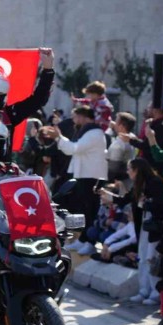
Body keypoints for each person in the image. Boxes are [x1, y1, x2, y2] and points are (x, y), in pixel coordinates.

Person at [100, 158, 163, 305]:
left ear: (137, 170)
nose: (127, 172)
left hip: (156, 227)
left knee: (152, 258)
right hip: (144, 225)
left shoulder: (156, 183)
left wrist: (146, 203)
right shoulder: (138, 185)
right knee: (143, 257)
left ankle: (156, 292)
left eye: (129, 169)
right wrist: (106, 194)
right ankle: (144, 290)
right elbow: (125, 199)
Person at [42, 105, 108, 255]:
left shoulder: (94, 133)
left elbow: (74, 149)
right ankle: (83, 239)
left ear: (84, 117)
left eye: (75, 116)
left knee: (90, 211)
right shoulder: (86, 131)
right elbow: (71, 149)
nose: (73, 120)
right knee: (84, 210)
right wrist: (59, 138)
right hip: (83, 175)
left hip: (91, 176)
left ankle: (90, 242)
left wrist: (58, 137)